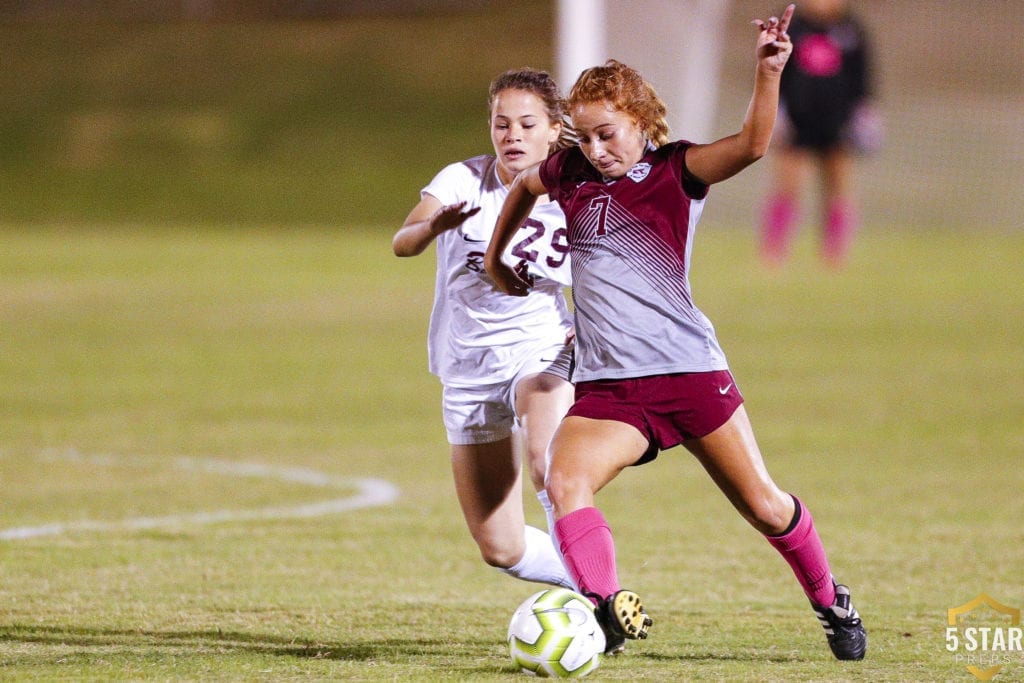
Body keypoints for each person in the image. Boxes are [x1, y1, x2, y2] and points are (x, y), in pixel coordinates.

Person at [485, 5, 867, 661]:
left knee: (765, 506)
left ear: (641, 122)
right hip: (610, 389)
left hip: (689, 374)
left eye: (609, 134)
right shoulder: (570, 171)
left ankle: (832, 598)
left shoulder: (675, 171)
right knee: (562, 480)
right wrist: (497, 261)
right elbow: (523, 183)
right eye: (585, 136)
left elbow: (751, 144)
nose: (596, 149)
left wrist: (769, 71)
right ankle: (606, 609)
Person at [392, 69, 577, 591]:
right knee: (502, 547)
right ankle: (586, 578)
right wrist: (433, 227)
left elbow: (606, 268)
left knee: (547, 462)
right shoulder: (462, 180)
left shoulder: (574, 196)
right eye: (501, 124)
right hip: (469, 369)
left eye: (525, 123)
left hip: (540, 352)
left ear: (553, 130)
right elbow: (402, 242)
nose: (512, 135)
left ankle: (601, 593)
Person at [759, 0, 881, 268]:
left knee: (837, 185)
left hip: (838, 123)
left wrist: (864, 118)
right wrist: (776, 113)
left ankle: (835, 254)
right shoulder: (792, 29)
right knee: (787, 185)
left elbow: (863, 81)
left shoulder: (852, 31)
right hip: (797, 122)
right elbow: (774, 72)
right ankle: (773, 251)